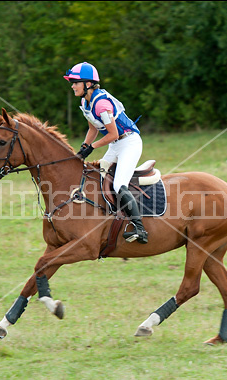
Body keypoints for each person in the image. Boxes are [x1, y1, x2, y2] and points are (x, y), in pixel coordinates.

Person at [64, 61, 148, 244]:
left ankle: (140, 228)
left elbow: (113, 133)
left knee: (119, 185)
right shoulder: (85, 102)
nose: (72, 86)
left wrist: (92, 148)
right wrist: (83, 149)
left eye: (75, 82)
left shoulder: (101, 103)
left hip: (129, 143)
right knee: (97, 177)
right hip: (116, 144)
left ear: (87, 84)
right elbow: (93, 130)